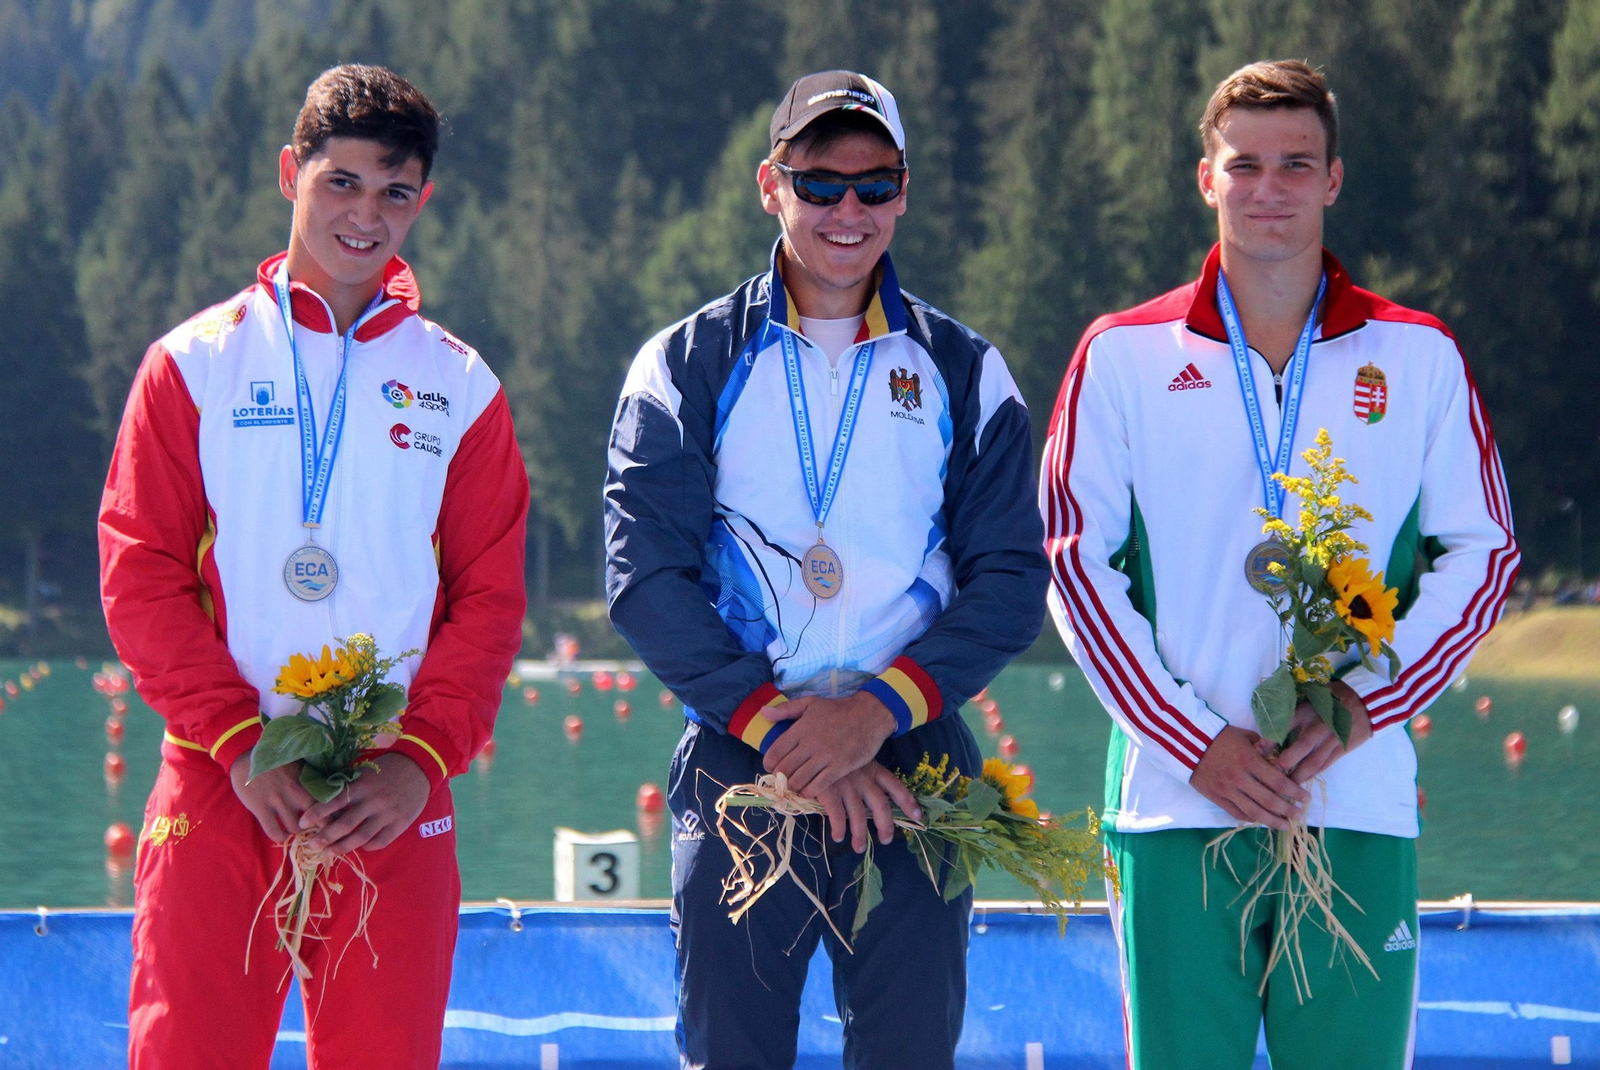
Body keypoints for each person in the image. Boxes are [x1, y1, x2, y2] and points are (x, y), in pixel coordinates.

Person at [1041, 60, 1519, 1069]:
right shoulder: (1119, 354)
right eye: (1244, 164)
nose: (1269, 187)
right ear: (1205, 178)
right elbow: (1074, 565)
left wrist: (1361, 706)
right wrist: (1193, 739)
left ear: (1333, 179)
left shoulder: (1418, 353)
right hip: (1178, 803)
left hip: (1352, 796)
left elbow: (1483, 554)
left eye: (1295, 163)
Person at [605, 70, 1048, 1069]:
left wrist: (874, 717)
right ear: (771, 184)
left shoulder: (965, 369)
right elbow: (645, 580)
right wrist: (784, 730)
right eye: (818, 183)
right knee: (733, 1053)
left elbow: (1012, 577)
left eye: (874, 183)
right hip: (739, 751)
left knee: (907, 1054)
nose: (848, 210)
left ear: (904, 191)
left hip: (913, 754)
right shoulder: (684, 364)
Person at [98, 64, 528, 1069]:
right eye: (340, 181)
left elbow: (489, 598)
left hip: (387, 785)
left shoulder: (458, 385)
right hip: (224, 778)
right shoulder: (193, 362)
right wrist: (241, 742)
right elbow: (139, 571)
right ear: (291, 171)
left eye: (393, 190)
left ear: (422, 200)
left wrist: (419, 758)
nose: (364, 214)